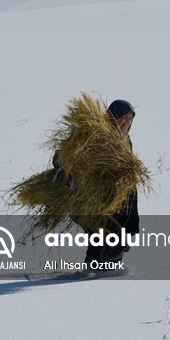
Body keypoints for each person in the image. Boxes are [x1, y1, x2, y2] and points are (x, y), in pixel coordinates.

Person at [51, 99, 139, 268]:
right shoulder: (93, 135)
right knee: (114, 238)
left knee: (104, 239)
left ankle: (97, 269)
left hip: (111, 201)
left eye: (130, 119)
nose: (126, 123)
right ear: (113, 118)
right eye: (123, 118)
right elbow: (60, 158)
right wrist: (72, 180)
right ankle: (102, 269)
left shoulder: (125, 141)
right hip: (84, 200)